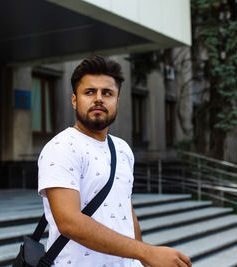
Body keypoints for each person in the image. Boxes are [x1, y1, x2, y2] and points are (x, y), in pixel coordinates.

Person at [38, 55, 191, 267]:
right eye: (89, 92)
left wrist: (143, 260)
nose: (98, 99)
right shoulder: (61, 147)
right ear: (74, 100)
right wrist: (146, 252)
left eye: (107, 93)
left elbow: (126, 211)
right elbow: (69, 223)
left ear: (117, 101)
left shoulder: (122, 149)